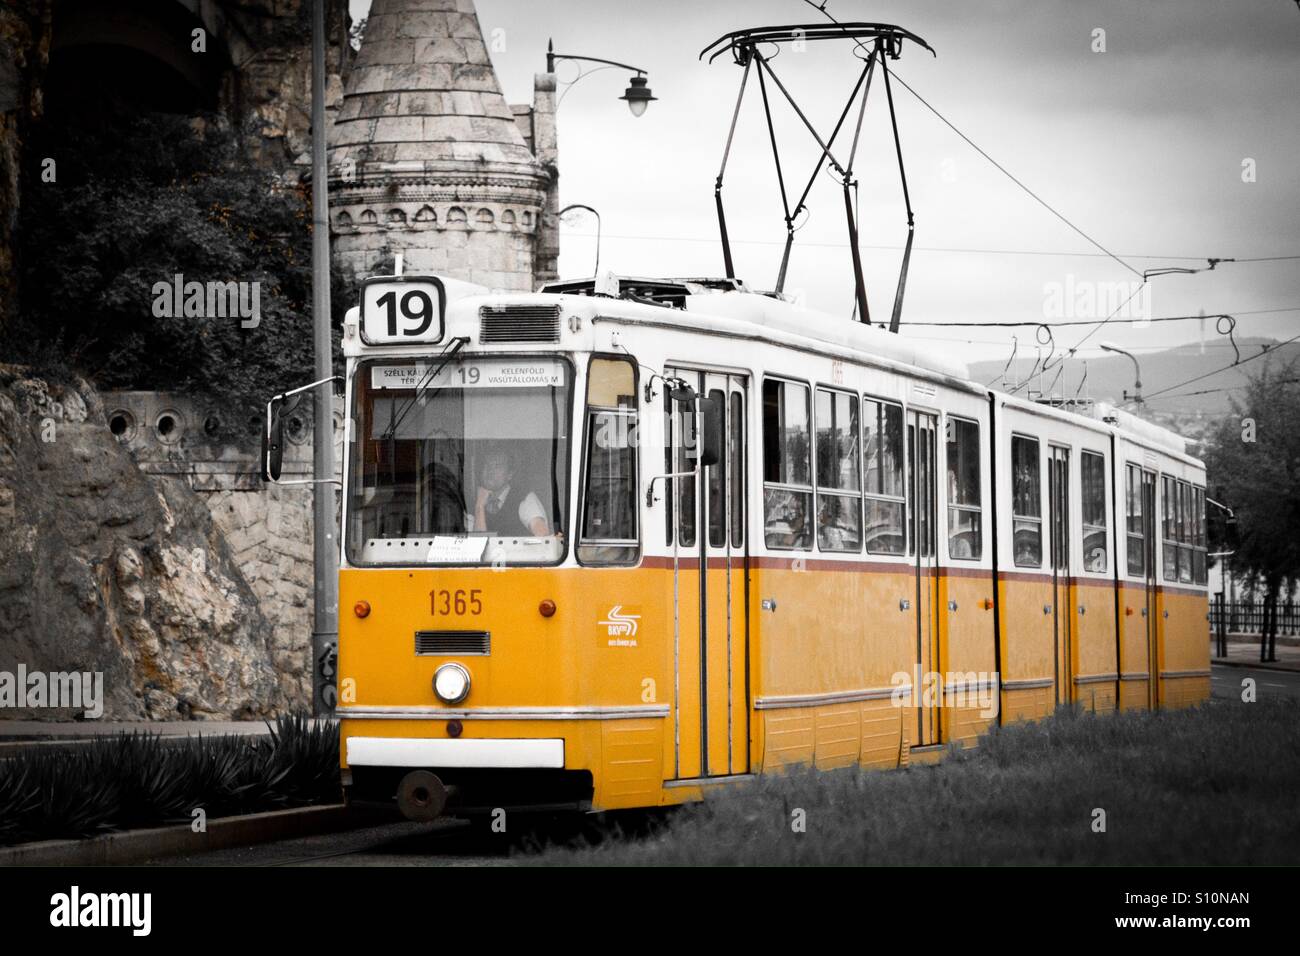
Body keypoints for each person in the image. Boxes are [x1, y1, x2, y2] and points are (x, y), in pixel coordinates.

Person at [472, 448, 550, 536]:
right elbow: (477, 546)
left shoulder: (524, 498)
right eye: (487, 465)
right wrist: (479, 507)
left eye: (497, 466)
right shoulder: (472, 503)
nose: (490, 470)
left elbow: (543, 536)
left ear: (510, 474)